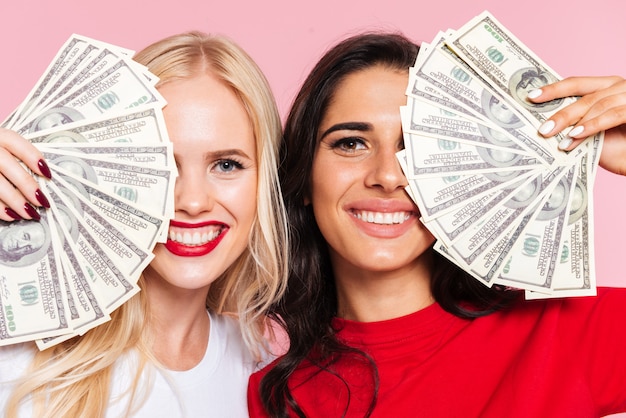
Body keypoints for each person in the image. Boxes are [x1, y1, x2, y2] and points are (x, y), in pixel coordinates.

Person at [247, 32, 626, 417]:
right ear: (305, 176)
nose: (387, 176)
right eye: (350, 143)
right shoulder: (273, 397)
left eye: (413, 145)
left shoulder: (579, 331)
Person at [0, 30, 288, 417]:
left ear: (265, 183)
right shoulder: (20, 361)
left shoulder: (264, 366)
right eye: (164, 164)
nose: (192, 201)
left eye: (226, 165)